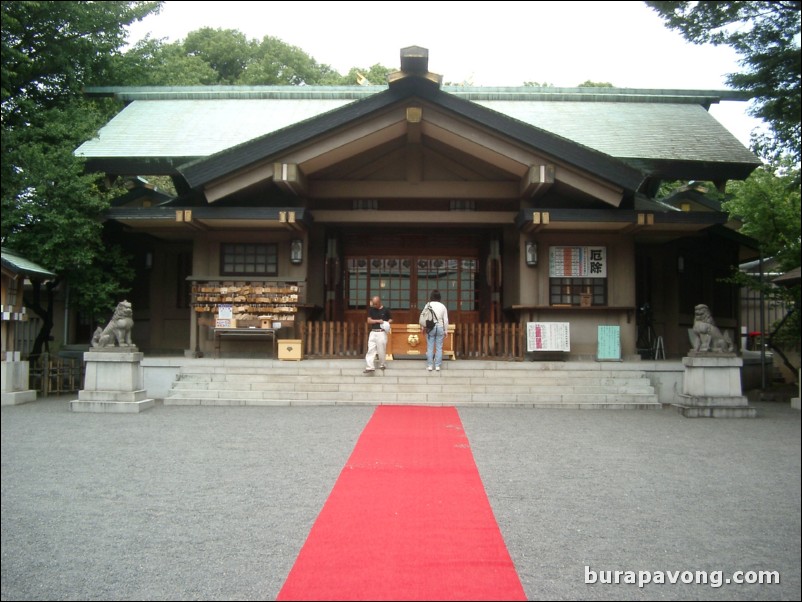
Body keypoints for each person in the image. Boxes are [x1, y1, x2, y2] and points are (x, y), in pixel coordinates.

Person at [422, 290, 449, 372]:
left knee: (430, 347)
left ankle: (430, 365)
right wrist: (446, 330)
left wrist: (423, 327)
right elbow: (446, 319)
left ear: (431, 296)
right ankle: (437, 365)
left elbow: (424, 316)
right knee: (439, 347)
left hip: (431, 328)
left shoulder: (428, 305)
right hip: (440, 327)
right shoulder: (443, 306)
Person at [364, 295, 392, 373]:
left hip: (381, 332)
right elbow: (369, 320)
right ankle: (370, 366)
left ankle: (382, 364)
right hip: (373, 331)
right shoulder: (371, 310)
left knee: (381, 350)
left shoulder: (386, 310)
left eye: (376, 303)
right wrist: (378, 321)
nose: (374, 305)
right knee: (371, 349)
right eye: (373, 304)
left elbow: (390, 319)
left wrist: (386, 323)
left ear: (379, 302)